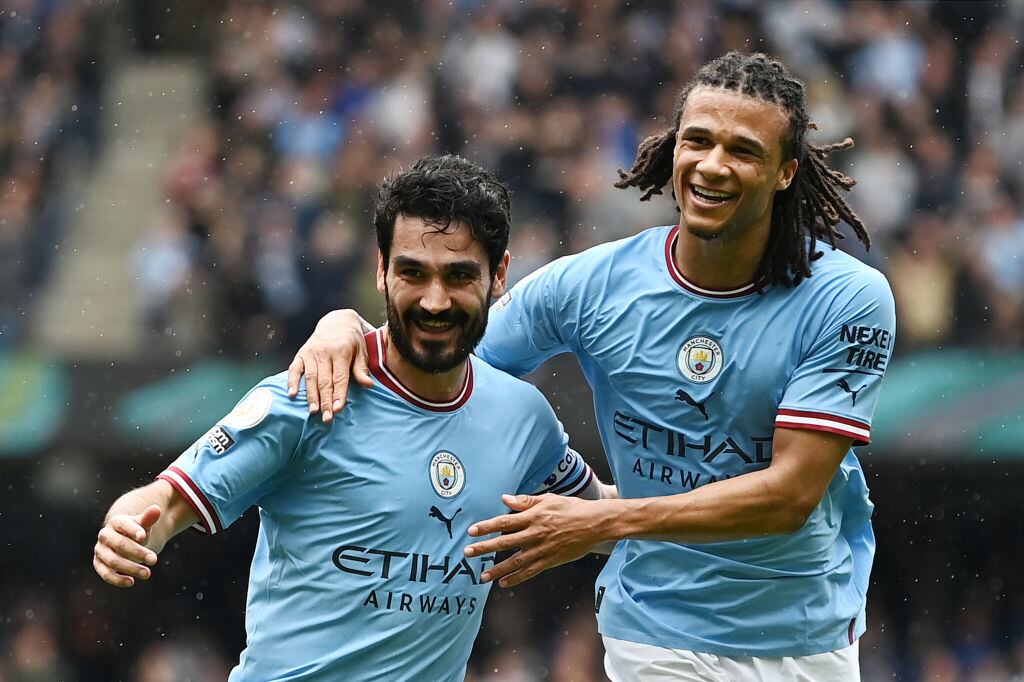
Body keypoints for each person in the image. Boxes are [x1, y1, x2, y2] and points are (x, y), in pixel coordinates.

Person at [288, 52, 897, 680]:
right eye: (698, 141)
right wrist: (349, 328)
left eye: (742, 150)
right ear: (672, 149)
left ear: (785, 172)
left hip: (804, 635)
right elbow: (441, 349)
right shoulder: (593, 286)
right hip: (653, 632)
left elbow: (789, 496)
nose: (712, 165)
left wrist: (600, 519)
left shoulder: (847, 299)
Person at [92, 154, 609, 681]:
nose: (434, 300)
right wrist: (131, 528)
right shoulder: (311, 394)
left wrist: (690, 505)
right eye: (413, 272)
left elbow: (601, 517)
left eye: (459, 276)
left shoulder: (522, 416)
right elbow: (167, 500)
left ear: (499, 276)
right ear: (381, 269)